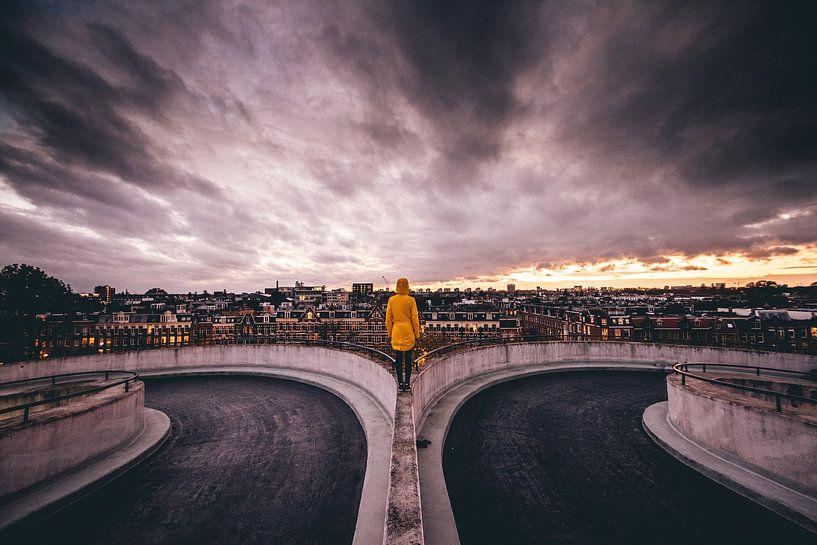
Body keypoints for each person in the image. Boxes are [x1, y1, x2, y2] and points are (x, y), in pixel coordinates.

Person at [385, 277, 420, 392]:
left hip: (396, 331)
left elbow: (388, 320)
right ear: (407, 286)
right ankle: (407, 383)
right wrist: (417, 334)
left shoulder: (391, 300)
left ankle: (400, 383)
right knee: (408, 359)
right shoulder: (411, 300)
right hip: (408, 330)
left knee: (398, 359)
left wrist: (390, 333)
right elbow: (415, 319)